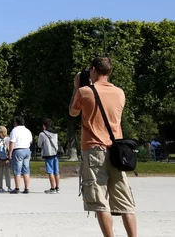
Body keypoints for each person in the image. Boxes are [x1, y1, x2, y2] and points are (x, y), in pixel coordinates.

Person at [70, 57, 137, 237]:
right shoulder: (120, 93)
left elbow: (73, 112)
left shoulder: (85, 92)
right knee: (125, 202)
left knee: (100, 200)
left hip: (94, 150)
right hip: (117, 151)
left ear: (93, 69)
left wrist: (77, 86)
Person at [8, 115, 32, 194]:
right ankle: (26, 188)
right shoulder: (27, 130)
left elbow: (12, 142)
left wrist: (10, 152)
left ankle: (17, 188)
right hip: (27, 150)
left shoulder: (14, 130)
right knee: (26, 170)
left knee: (17, 170)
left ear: (16, 122)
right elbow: (30, 141)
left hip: (18, 150)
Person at [37, 118, 60, 194]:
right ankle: (57, 187)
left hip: (48, 153)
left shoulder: (42, 134)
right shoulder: (55, 133)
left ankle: (52, 188)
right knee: (56, 171)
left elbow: (39, 145)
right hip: (55, 153)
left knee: (50, 171)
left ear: (44, 126)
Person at [0, 126, 11, 192]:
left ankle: (0, 187)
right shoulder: (8, 139)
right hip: (7, 159)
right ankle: (9, 187)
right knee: (7, 173)